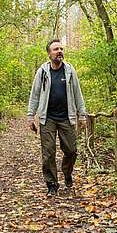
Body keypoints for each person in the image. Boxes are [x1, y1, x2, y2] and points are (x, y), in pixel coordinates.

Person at [27, 39, 87, 196]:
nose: (59, 51)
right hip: (47, 119)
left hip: (67, 117)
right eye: (55, 49)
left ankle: (67, 174)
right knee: (48, 153)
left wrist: (82, 115)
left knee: (72, 150)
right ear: (49, 54)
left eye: (61, 48)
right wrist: (30, 116)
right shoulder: (42, 72)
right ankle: (52, 184)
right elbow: (35, 94)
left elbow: (77, 93)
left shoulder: (69, 70)